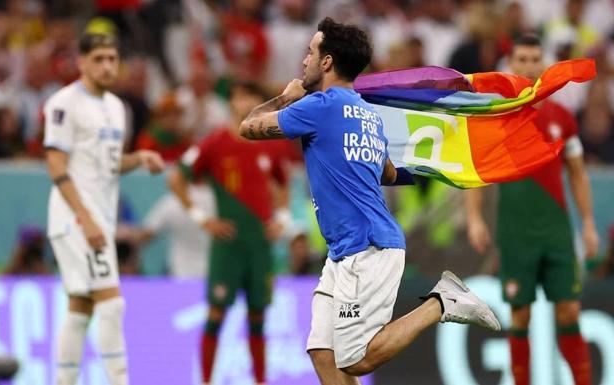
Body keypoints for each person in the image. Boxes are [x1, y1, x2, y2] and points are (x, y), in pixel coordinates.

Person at [238, 17, 500, 384]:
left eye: (310, 52)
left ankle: (442, 303)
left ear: (327, 62)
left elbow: (247, 126)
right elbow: (388, 173)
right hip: (345, 249)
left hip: (367, 247)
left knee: (357, 360)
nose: (304, 62)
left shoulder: (319, 107)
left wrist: (286, 96)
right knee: (322, 352)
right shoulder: (368, 116)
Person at [465, 34, 599, 385]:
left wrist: (587, 224)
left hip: (555, 229)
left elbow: (578, 175)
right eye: (521, 59)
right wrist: (475, 218)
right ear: (511, 65)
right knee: (520, 316)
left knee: (569, 310)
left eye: (534, 58)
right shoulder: (496, 117)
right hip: (515, 231)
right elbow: (476, 170)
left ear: (542, 64)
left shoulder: (562, 118)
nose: (527, 65)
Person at [43, 33, 165, 385]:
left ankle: (64, 381)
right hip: (75, 219)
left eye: (112, 58)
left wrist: (140, 158)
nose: (107, 65)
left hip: (98, 217)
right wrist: (84, 219)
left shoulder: (117, 107)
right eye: (99, 58)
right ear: (81, 62)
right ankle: (119, 380)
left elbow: (109, 164)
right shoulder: (63, 104)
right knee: (111, 304)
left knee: (80, 306)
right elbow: (56, 166)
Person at [168, 81, 292, 385]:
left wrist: (282, 218)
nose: (246, 102)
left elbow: (284, 182)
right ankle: (207, 381)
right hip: (228, 246)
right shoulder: (215, 143)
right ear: (232, 102)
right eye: (241, 96)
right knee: (216, 316)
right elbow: (176, 179)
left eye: (253, 96)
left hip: (260, 245)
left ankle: (260, 380)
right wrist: (202, 218)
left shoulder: (271, 143)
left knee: (258, 318)